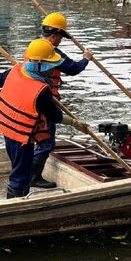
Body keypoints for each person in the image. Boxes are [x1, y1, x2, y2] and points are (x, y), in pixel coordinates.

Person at [0, 39, 88, 198]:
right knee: (21, 174)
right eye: (50, 65)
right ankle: (17, 203)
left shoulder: (17, 69)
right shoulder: (41, 90)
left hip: (6, 128)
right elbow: (54, 115)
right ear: (39, 65)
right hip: (21, 135)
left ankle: (17, 194)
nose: (53, 69)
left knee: (18, 166)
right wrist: (75, 123)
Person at [24, 12, 94, 189]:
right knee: (46, 142)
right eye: (61, 37)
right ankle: (33, 178)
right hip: (44, 99)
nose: (60, 41)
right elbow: (73, 68)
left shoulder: (33, 48)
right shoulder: (51, 52)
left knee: (34, 137)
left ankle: (27, 173)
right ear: (54, 36)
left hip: (29, 99)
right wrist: (86, 58)